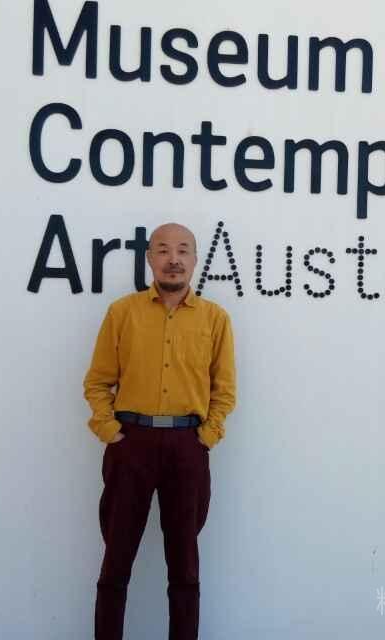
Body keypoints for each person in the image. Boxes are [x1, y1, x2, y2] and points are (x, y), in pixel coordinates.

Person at [83, 222, 236, 640]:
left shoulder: (215, 319)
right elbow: (97, 382)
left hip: (188, 446)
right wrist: (110, 431)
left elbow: (224, 390)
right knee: (116, 563)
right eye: (164, 250)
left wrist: (207, 436)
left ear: (195, 260)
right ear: (149, 258)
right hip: (130, 444)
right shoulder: (122, 313)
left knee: (185, 566)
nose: (174, 259)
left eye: (183, 250)